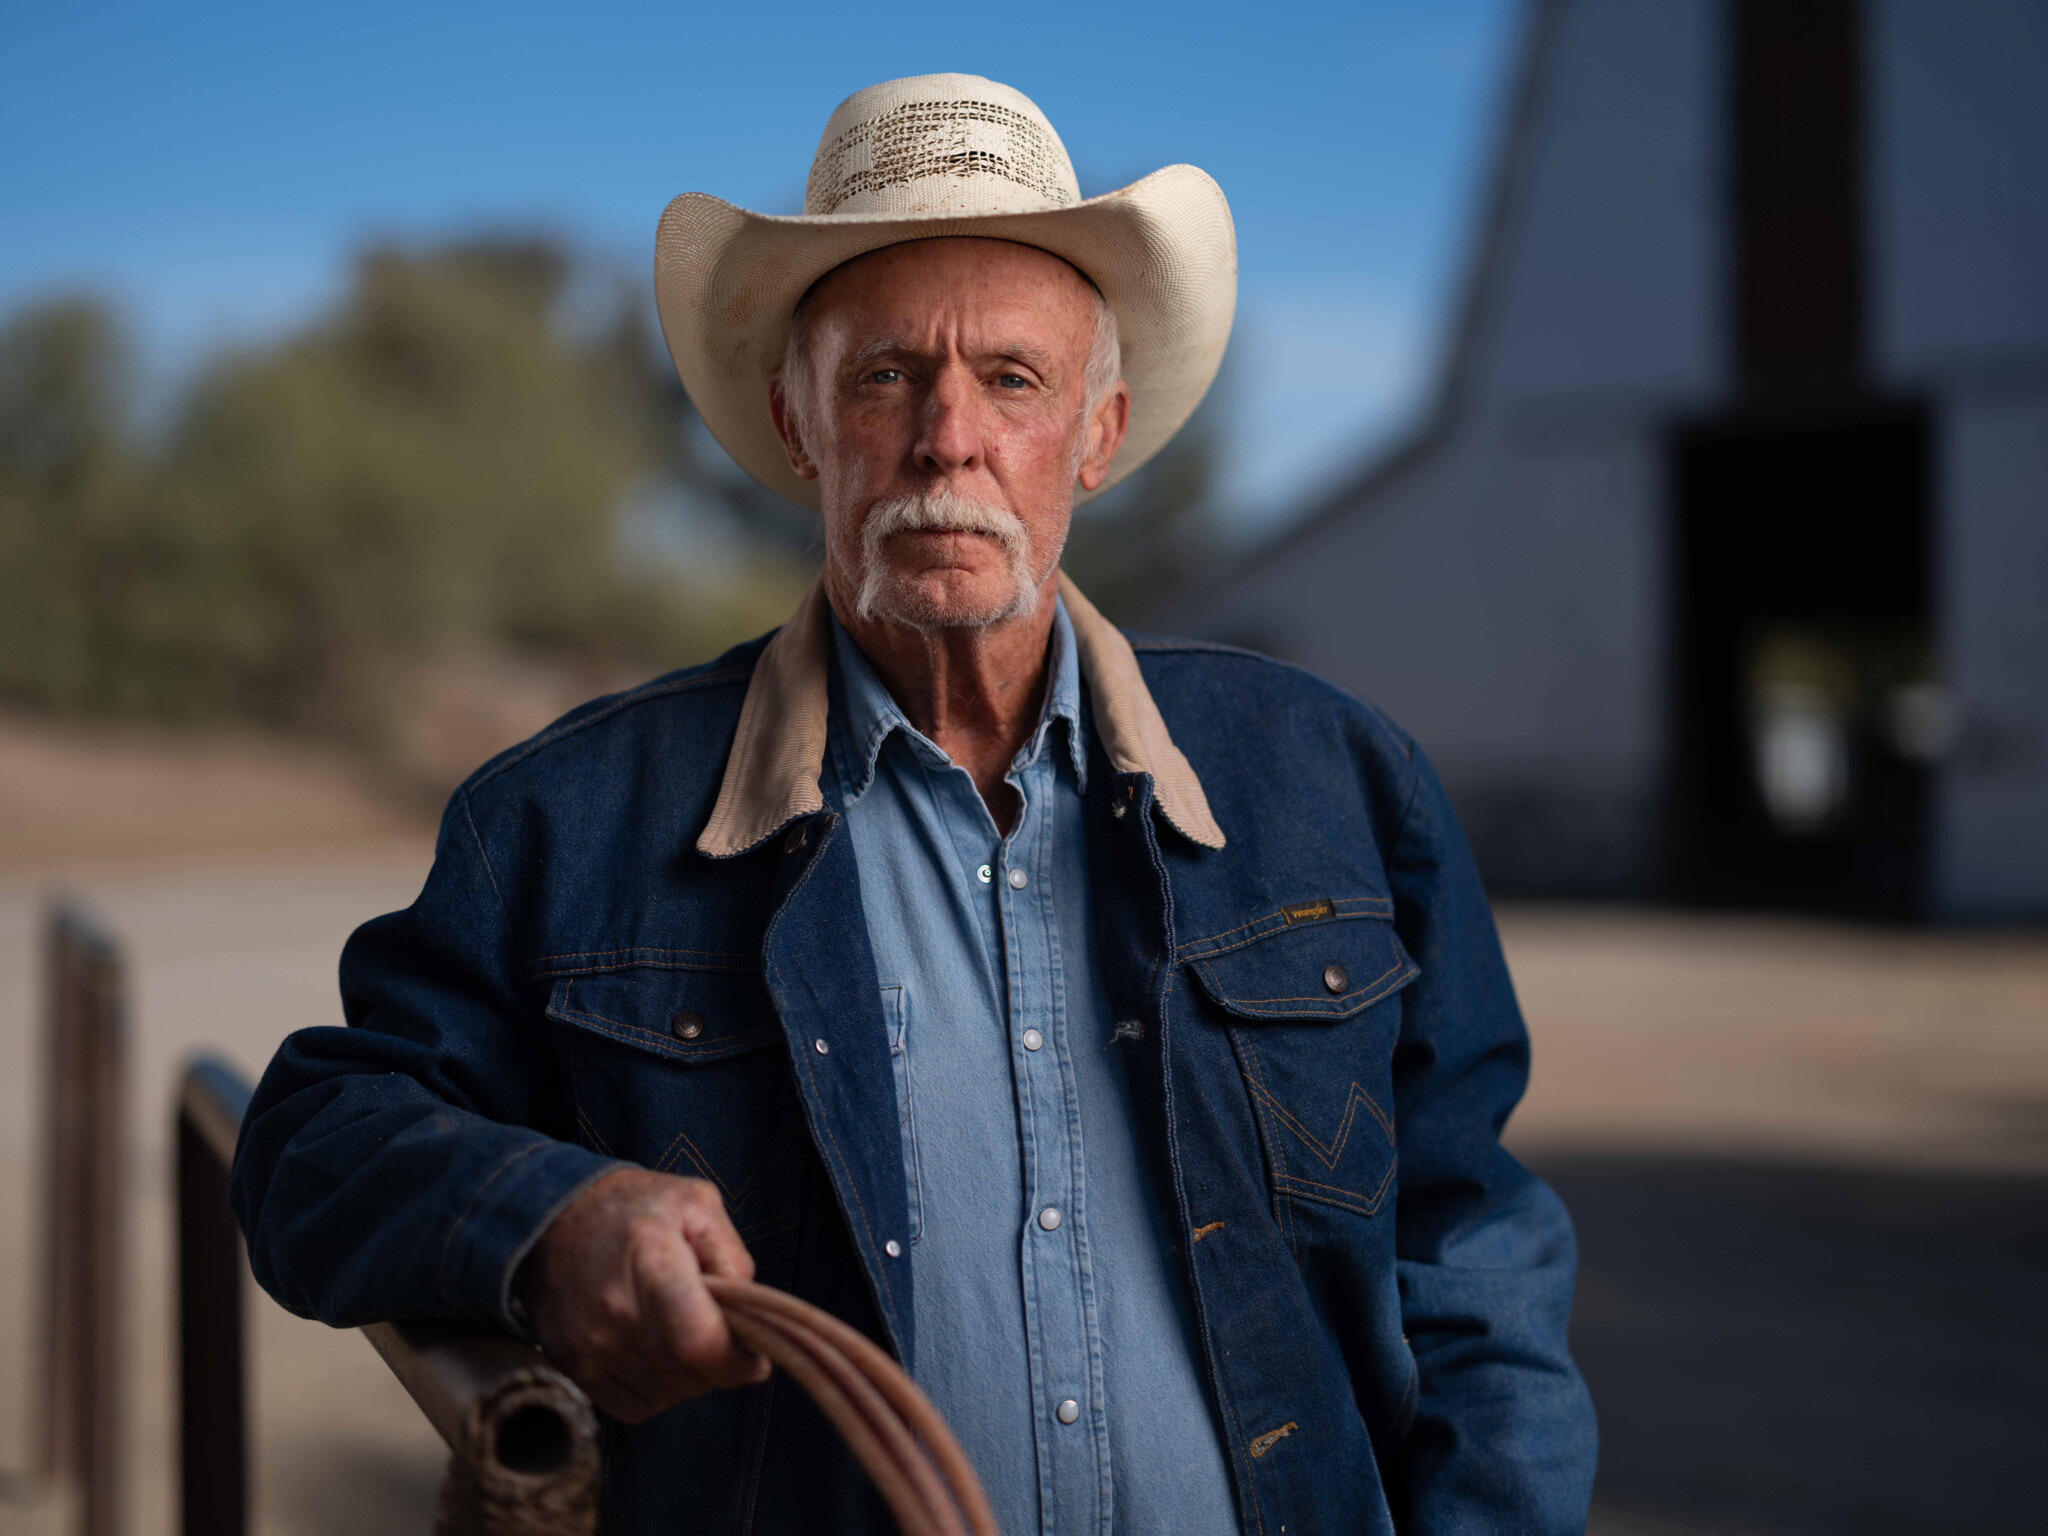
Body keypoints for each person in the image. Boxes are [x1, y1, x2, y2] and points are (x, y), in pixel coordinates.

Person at [232, 73, 1596, 1535]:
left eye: (1013, 379)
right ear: (800, 422)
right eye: (885, 375)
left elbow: (1474, 1249)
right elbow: (313, 1141)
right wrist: (545, 1222)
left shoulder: (1330, 778)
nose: (949, 436)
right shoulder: (569, 821)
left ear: (1097, 433)